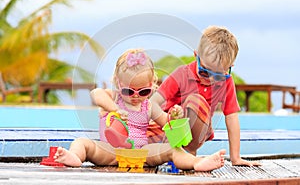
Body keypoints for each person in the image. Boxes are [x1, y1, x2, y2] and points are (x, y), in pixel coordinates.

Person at [54, 48, 226, 171]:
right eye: (129, 91)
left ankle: (196, 163)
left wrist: (174, 116)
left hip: (141, 153)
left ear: (152, 85)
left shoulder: (148, 106)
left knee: (172, 150)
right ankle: (74, 157)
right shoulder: (115, 97)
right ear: (118, 83)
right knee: (82, 142)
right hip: (110, 151)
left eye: (143, 91)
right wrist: (114, 109)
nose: (135, 96)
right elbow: (95, 93)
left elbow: (165, 122)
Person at [150, 26, 261, 166]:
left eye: (218, 75)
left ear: (230, 66)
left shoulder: (226, 82)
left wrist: (235, 158)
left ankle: (189, 153)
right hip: (166, 128)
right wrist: (169, 123)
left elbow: (232, 117)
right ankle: (178, 154)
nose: (211, 79)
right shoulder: (182, 74)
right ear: (196, 56)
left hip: (196, 131)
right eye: (204, 72)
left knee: (195, 101)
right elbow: (152, 103)